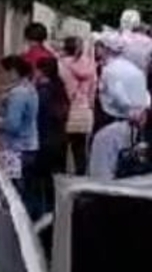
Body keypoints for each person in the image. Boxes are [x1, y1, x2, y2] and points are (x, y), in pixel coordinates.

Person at [89, 35, 151, 180]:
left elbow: (118, 94)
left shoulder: (110, 70)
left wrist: (129, 110)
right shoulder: (135, 69)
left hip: (115, 118)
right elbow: (146, 94)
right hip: (137, 122)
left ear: (105, 48)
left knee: (104, 159)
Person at [0, 55, 39, 218]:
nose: (2, 76)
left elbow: (12, 124)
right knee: (25, 190)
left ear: (13, 72)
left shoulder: (18, 94)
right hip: (28, 146)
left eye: (5, 72)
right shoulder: (30, 89)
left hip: (15, 149)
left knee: (13, 191)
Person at [34, 57, 70, 214]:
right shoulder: (60, 89)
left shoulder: (42, 92)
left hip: (43, 142)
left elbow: (35, 117)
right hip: (59, 141)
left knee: (38, 185)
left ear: (41, 71)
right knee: (55, 182)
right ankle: (57, 213)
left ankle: (42, 217)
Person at [60, 36, 96, 175]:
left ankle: (62, 183)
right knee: (80, 149)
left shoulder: (61, 65)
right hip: (84, 111)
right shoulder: (90, 65)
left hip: (67, 110)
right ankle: (81, 179)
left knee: (62, 149)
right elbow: (93, 91)